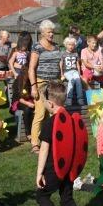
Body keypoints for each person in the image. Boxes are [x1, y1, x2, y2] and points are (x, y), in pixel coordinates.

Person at [35, 82, 84, 206]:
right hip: (69, 168)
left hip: (54, 167)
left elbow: (43, 150)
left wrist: (39, 173)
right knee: (67, 198)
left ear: (50, 103)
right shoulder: (70, 119)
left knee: (41, 195)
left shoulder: (51, 122)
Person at [29, 20, 62, 154]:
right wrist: (33, 87)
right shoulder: (37, 47)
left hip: (54, 84)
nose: (51, 34)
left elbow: (60, 64)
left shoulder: (57, 47)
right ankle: (35, 144)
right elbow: (31, 68)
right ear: (42, 33)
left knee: (54, 113)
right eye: (49, 32)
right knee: (41, 113)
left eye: (52, 32)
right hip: (41, 83)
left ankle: (51, 139)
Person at [60, 37, 84, 106]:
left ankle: (80, 99)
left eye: (72, 45)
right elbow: (61, 63)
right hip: (67, 71)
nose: (71, 46)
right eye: (69, 45)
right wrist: (62, 74)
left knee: (78, 80)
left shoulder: (75, 54)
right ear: (65, 45)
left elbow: (77, 64)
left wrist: (79, 73)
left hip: (74, 71)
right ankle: (69, 99)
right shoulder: (63, 53)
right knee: (71, 80)